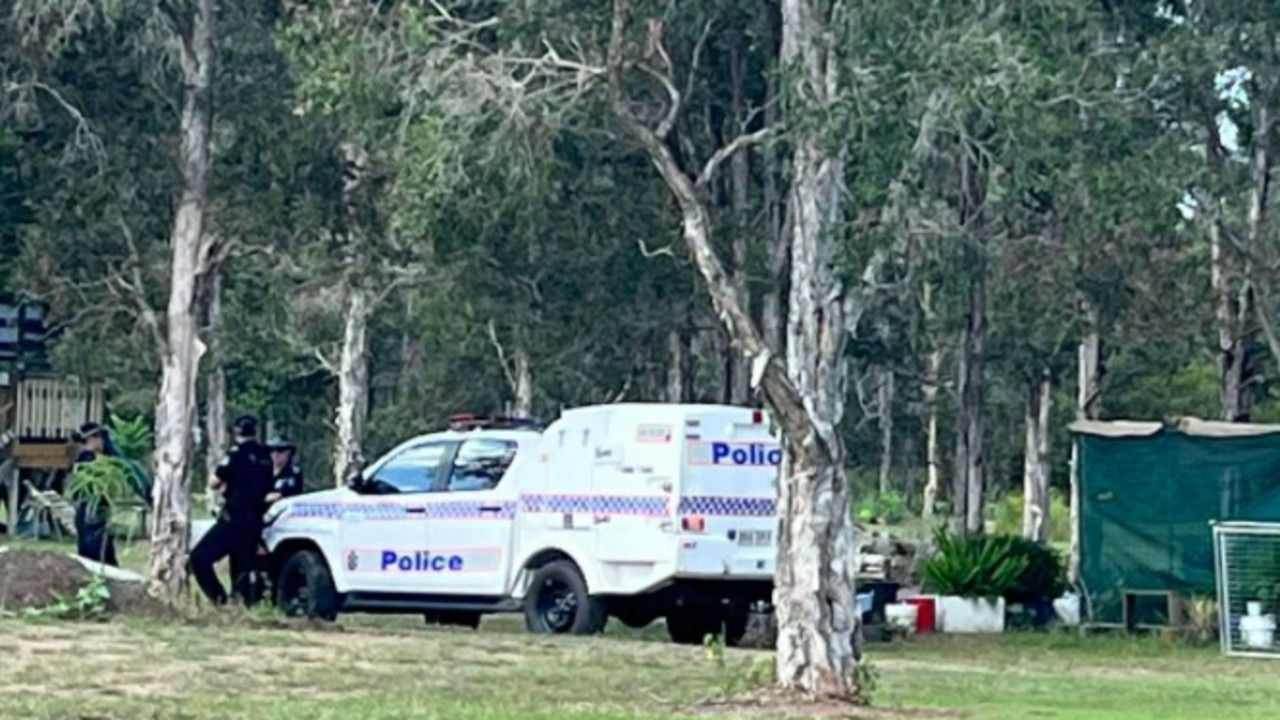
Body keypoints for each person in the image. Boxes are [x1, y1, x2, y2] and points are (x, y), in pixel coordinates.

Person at [189, 414, 274, 607]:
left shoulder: (235, 454)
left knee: (199, 559)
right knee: (241, 567)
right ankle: (240, 605)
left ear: (236, 433)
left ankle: (220, 601)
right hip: (255, 522)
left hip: (233, 519)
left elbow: (214, 482)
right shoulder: (265, 457)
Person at [70, 422, 120, 566]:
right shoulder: (85, 457)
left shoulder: (107, 457)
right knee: (89, 546)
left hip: (99, 509)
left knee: (101, 546)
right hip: (86, 509)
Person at [264, 434, 305, 504]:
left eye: (280, 450)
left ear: (288, 452)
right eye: (272, 450)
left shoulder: (294, 472)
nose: (275, 454)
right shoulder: (263, 471)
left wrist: (280, 494)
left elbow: (293, 493)